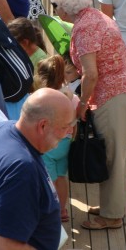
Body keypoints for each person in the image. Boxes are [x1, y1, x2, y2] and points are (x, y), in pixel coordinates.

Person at [49, 0, 126, 229]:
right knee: (115, 152)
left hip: (112, 95)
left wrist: (81, 106)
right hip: (123, 89)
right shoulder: (96, 17)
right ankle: (113, 205)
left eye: (55, 4)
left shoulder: (84, 29)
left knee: (113, 155)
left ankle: (112, 216)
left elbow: (91, 74)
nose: (54, 9)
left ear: (65, 7)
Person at [0, 88, 76, 250]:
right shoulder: (21, 171)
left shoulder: (1, 130)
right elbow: (4, 247)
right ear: (43, 125)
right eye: (65, 126)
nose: (70, 131)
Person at [33, 54, 79, 222]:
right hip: (65, 142)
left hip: (50, 144)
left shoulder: (44, 97)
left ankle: (50, 212)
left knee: (48, 179)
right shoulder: (71, 95)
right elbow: (76, 118)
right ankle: (62, 210)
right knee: (60, 178)